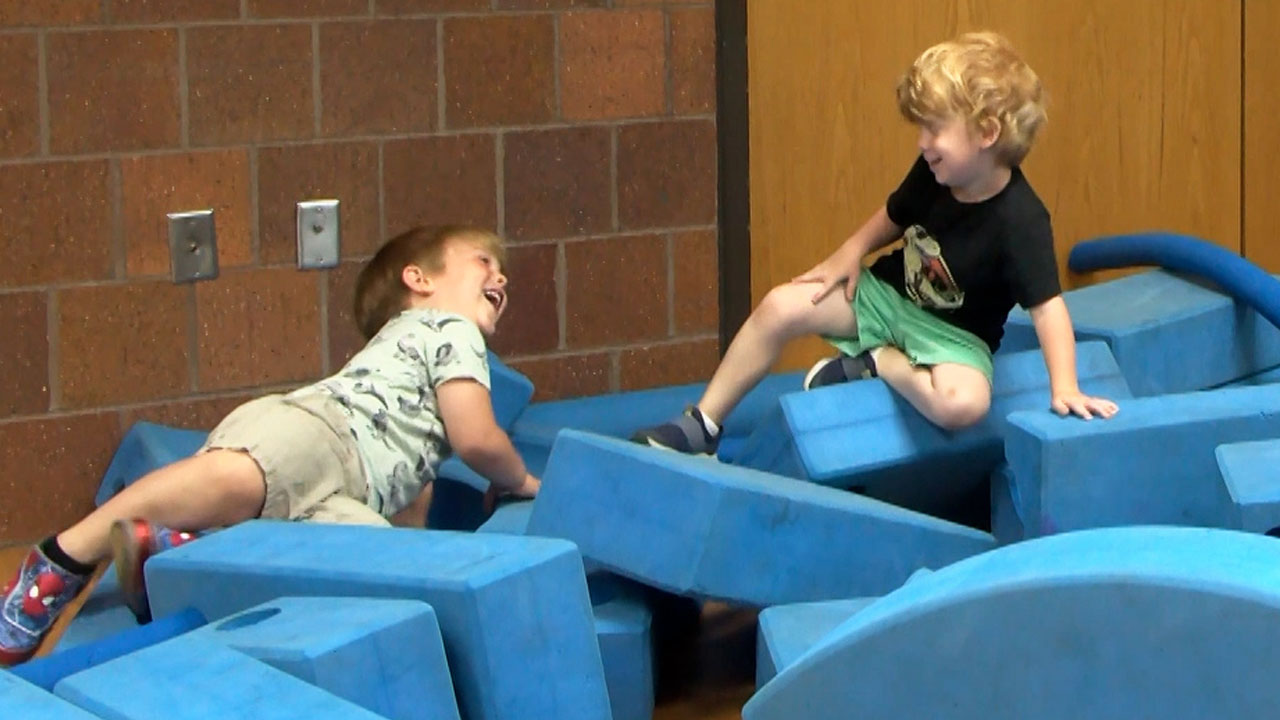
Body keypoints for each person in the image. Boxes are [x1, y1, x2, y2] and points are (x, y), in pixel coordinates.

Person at [0, 224, 540, 665]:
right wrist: (518, 479)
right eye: (482, 262)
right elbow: (476, 436)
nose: (501, 276)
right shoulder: (450, 329)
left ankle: (188, 553)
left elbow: (413, 504)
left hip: (351, 494)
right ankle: (59, 560)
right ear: (418, 279)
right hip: (325, 435)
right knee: (237, 479)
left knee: (380, 574)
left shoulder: (405, 349)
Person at [633, 30, 1118, 456]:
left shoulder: (1022, 220)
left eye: (934, 128)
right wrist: (849, 253)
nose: (922, 142)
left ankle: (878, 364)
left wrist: (1065, 386)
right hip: (887, 299)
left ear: (987, 133)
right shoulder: (936, 171)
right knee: (782, 305)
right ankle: (704, 424)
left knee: (964, 404)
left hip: (955, 339)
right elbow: (893, 215)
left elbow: (1048, 307)